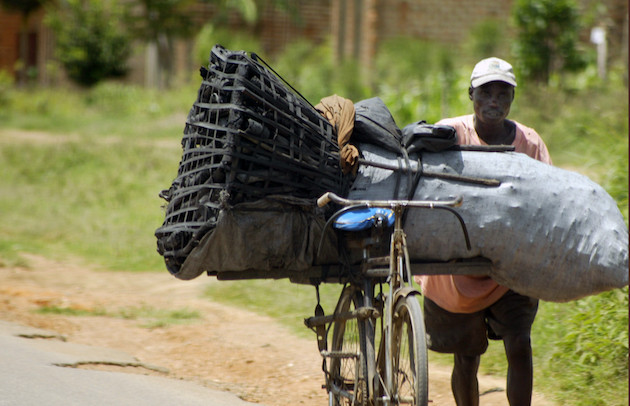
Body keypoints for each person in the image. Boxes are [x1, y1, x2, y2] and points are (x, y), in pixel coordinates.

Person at [415, 57, 552, 406]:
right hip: (459, 270)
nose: (494, 101)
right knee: (467, 356)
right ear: (471, 95)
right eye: (486, 93)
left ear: (512, 99)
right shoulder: (452, 135)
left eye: (502, 94)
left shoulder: (529, 143)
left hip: (509, 269)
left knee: (519, 342)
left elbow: (547, 196)